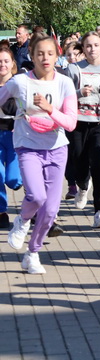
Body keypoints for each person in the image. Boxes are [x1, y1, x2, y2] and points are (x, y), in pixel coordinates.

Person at [2, 35, 77, 274]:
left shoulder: (65, 82)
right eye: (40, 54)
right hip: (27, 146)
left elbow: (71, 123)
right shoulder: (19, 82)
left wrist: (49, 109)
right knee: (36, 196)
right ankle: (22, 221)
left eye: (50, 53)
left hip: (57, 149)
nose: (45, 58)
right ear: (31, 56)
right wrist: (13, 111)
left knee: (51, 210)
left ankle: (33, 253)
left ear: (57, 56)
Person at [64, 32, 100, 228]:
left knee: (99, 164)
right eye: (88, 46)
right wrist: (79, 93)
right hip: (77, 122)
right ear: (82, 49)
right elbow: (65, 96)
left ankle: (99, 211)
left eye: (95, 45)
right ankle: (83, 186)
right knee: (78, 161)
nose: (92, 49)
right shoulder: (74, 69)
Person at [0, 45, 22, 229]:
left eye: (6, 61)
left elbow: (22, 108)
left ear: (12, 64)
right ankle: (1, 212)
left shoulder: (18, 84)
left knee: (13, 180)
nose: (2, 65)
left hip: (15, 135)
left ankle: (18, 180)